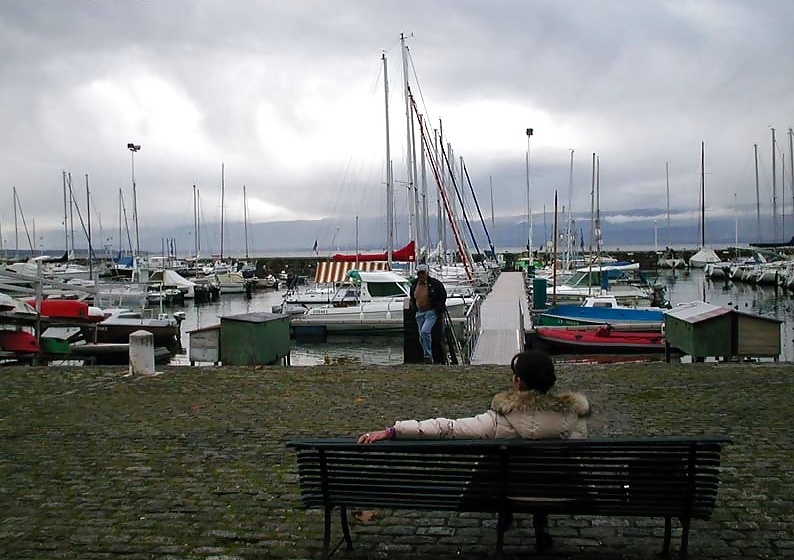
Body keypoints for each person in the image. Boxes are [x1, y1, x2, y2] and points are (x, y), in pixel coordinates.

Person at [358, 349, 590, 551]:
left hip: (508, 493)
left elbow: (447, 428)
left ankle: (507, 514)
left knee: (506, 462)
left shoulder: (500, 419)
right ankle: (541, 523)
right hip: (563, 492)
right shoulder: (574, 418)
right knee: (545, 466)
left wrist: (393, 431)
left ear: (518, 382)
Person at [409, 263, 447, 364]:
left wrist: (439, 307)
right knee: (421, 336)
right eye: (419, 273)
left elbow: (443, 295)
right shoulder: (414, 284)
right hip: (419, 313)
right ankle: (427, 355)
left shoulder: (435, 283)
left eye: (423, 273)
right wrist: (414, 307)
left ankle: (428, 356)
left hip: (431, 312)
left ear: (427, 273)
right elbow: (412, 296)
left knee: (425, 332)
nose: (421, 275)